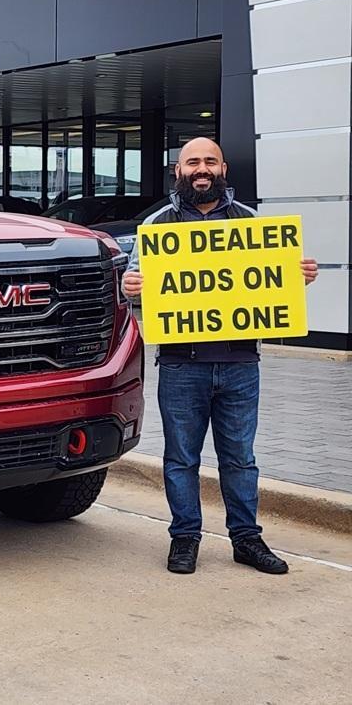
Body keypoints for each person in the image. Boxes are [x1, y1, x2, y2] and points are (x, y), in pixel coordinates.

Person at [121, 137, 318, 575]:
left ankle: (246, 539)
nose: (202, 168)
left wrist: (296, 277)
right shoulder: (157, 225)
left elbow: (271, 284)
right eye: (194, 162)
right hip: (180, 364)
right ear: (179, 171)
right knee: (181, 459)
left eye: (210, 161)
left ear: (223, 169)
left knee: (240, 459)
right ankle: (185, 538)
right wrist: (128, 288)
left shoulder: (250, 222)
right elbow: (133, 289)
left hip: (240, 364)